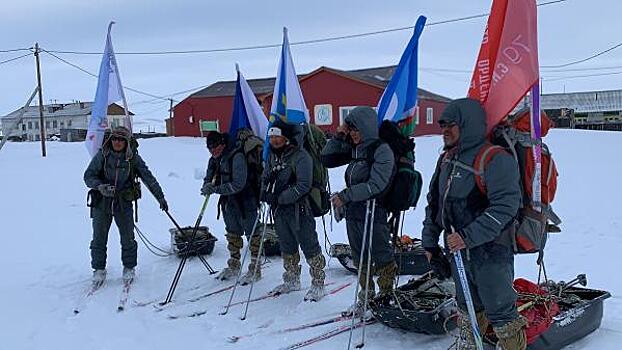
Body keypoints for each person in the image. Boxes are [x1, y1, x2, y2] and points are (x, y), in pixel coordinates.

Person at [421, 98, 526, 350]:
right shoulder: (446, 160)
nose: (444, 130)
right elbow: (434, 204)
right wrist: (429, 243)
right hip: (458, 254)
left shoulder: (494, 158)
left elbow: (505, 207)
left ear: (468, 125)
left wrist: (467, 236)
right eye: (442, 124)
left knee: (502, 314)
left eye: (451, 124)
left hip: (491, 253)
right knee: (467, 308)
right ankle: (468, 345)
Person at [321, 106, 397, 316]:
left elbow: (377, 185)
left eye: (356, 129)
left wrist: (345, 195)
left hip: (375, 211)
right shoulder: (355, 149)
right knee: (360, 256)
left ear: (367, 127)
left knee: (381, 255)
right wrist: (339, 134)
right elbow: (325, 158)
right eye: (351, 128)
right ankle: (366, 297)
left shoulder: (380, 149)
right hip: (354, 212)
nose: (353, 133)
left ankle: (385, 296)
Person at [84, 126, 167, 285]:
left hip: (123, 202)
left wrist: (160, 198)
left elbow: (149, 179)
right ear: (110, 140)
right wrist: (100, 186)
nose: (117, 142)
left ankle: (129, 267)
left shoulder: (133, 158)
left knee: (128, 237)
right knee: (99, 238)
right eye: (115, 138)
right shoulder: (103, 155)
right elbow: (88, 176)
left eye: (121, 139)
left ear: (126, 141)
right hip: (102, 203)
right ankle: (99, 269)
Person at [261, 120, 326, 302]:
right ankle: (291, 279)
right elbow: (265, 177)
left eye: (277, 136)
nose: (273, 140)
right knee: (286, 244)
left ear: (286, 137)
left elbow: (303, 185)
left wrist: (280, 198)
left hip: (300, 209)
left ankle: (318, 283)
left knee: (309, 245)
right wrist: (265, 193)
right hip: (279, 211)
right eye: (271, 137)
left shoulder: (301, 156)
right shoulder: (273, 156)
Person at [201, 130, 262, 284]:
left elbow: (238, 184)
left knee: (253, 234)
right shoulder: (214, 160)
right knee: (232, 233)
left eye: (215, 147)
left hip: (246, 200)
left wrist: (215, 189)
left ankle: (255, 267)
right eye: (209, 148)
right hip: (229, 202)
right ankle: (234, 264)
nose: (212, 150)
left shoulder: (237, 156)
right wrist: (207, 186)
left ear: (222, 144)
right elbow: (209, 178)